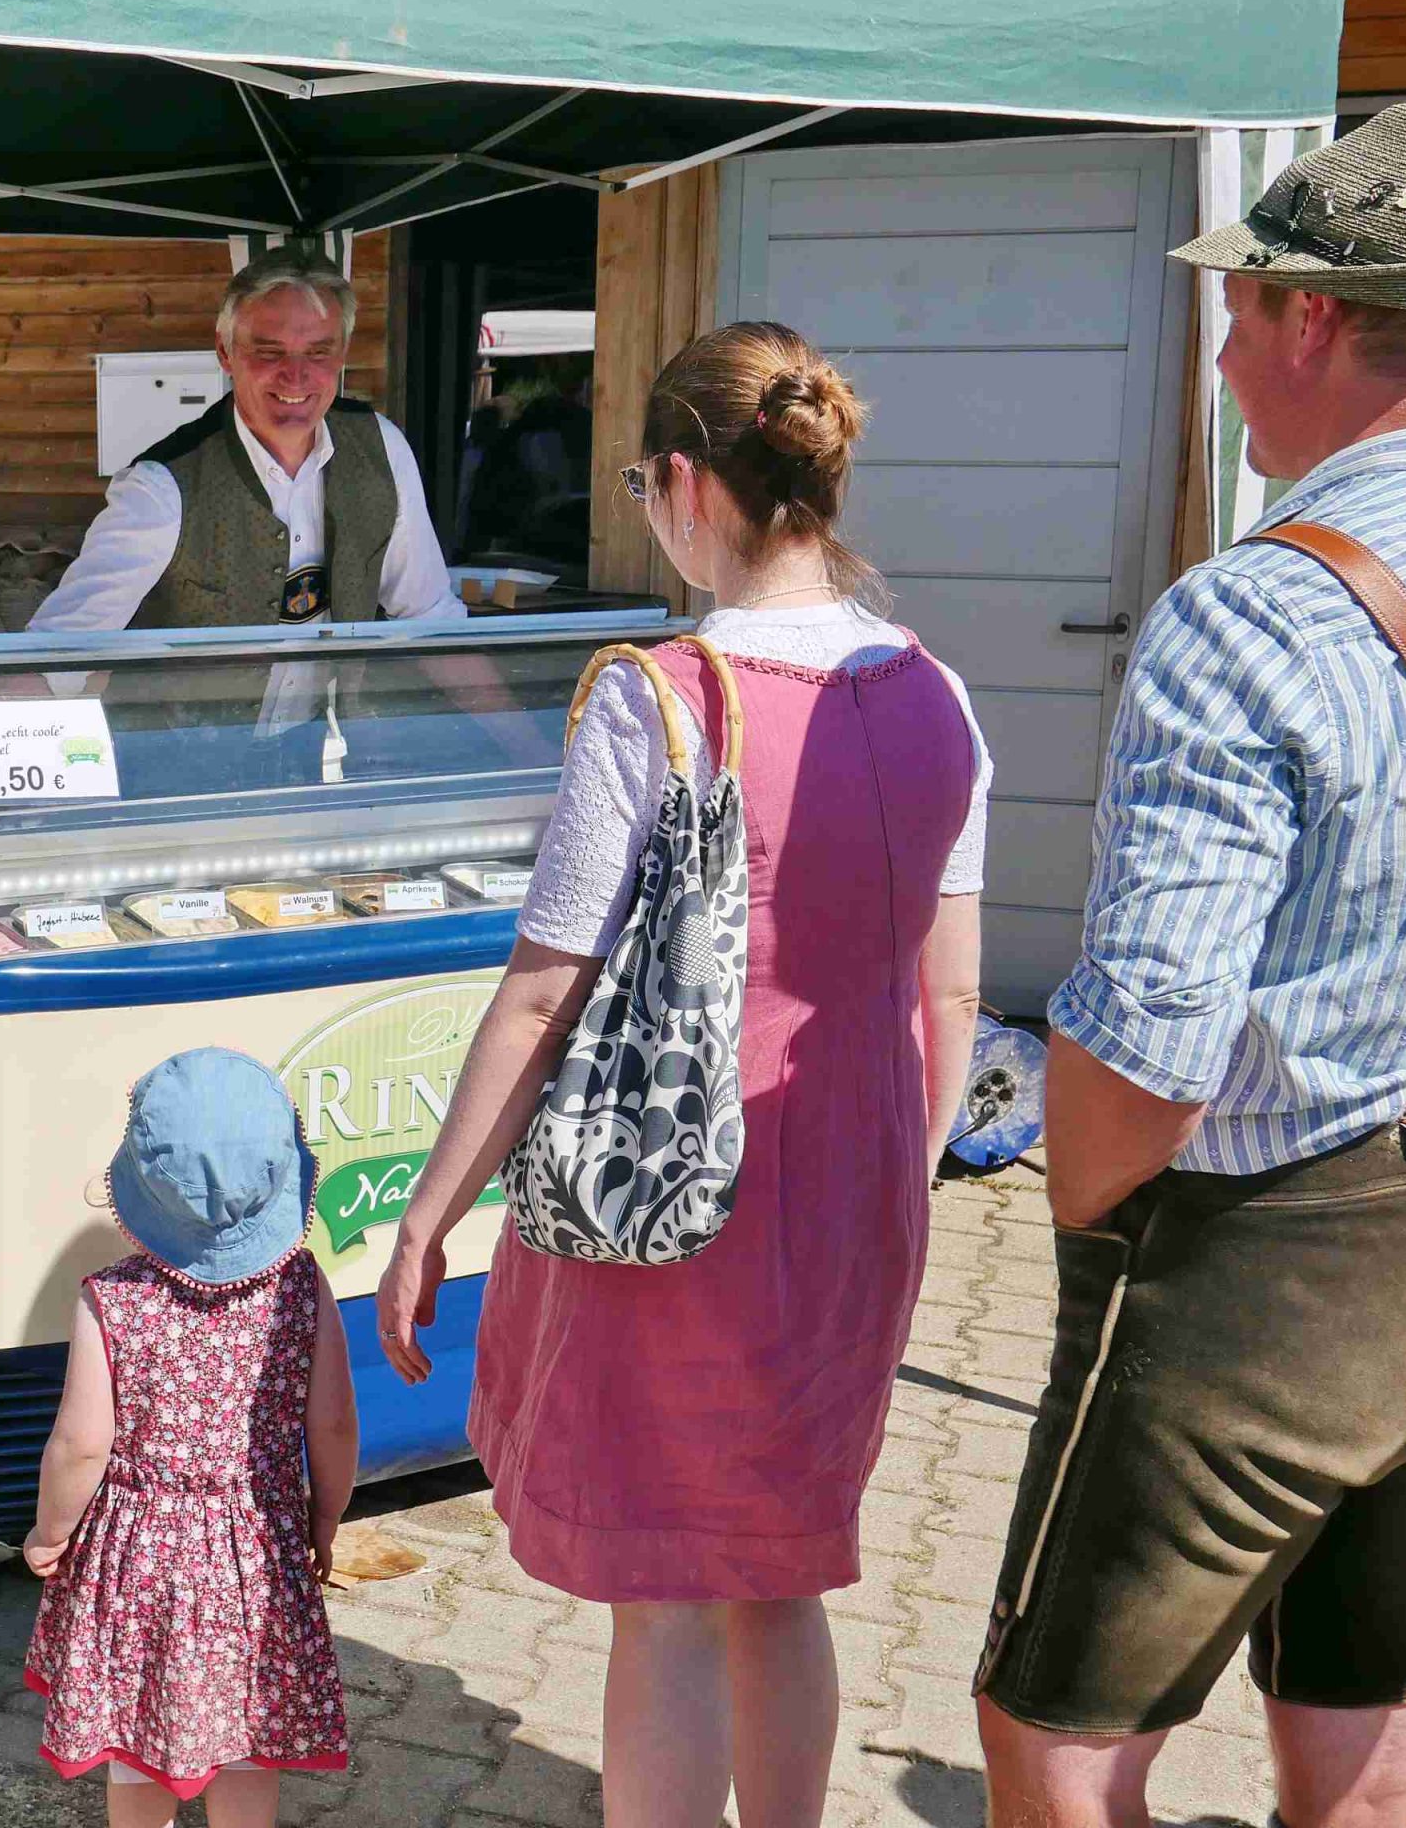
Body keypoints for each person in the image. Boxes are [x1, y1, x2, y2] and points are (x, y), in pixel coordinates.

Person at [373, 322, 991, 1828]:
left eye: (645, 487)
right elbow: (953, 993)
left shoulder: (655, 698)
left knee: (664, 1597)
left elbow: (543, 993)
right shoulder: (940, 693)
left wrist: (427, 1215)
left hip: (674, 1187)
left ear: (687, 486)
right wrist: (899, 1184)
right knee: (778, 1575)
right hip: (854, 1178)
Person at [975, 104, 1406, 1828]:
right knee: (1375, 1757)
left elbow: (1152, 1038)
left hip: (1262, 1248)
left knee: (1060, 1749)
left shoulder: (1253, 610)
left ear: (1315, 318)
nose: (1219, 354)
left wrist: (1094, 1222)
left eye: (1238, 309)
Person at [23, 1047, 358, 1828]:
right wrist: (326, 1516)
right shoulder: (302, 1288)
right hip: (258, 1555)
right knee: (248, 1739)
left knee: (135, 1736)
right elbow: (335, 1423)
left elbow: (80, 1445)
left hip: (138, 1565)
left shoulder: (111, 1300)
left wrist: (50, 1531)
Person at [29, 245, 467, 632]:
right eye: (269, 352)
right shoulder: (161, 489)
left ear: (342, 354)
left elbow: (430, 617)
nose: (296, 375)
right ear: (225, 352)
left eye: (319, 352)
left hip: (335, 706)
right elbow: (58, 653)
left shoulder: (381, 450)